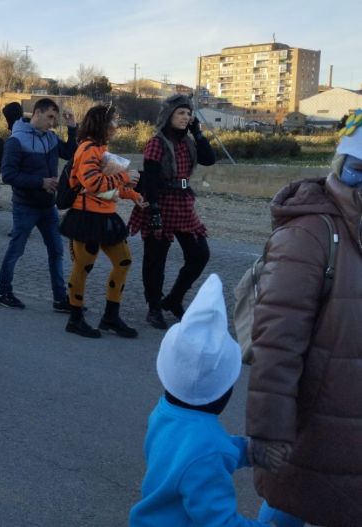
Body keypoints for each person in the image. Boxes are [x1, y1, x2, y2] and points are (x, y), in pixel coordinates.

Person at [245, 109, 362, 527]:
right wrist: (270, 432)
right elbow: (277, 341)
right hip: (316, 425)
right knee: (288, 510)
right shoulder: (310, 232)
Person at [129, 274, 269, 527]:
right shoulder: (208, 445)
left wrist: (244, 451)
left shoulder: (163, 413)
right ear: (223, 392)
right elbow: (220, 522)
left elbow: (191, 454)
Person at [127, 94, 216, 330]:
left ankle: (174, 300)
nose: (185, 117)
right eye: (181, 113)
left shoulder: (188, 141)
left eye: (188, 113)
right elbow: (151, 178)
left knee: (199, 254)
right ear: (169, 115)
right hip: (160, 200)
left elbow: (209, 159)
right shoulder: (156, 143)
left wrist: (198, 132)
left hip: (184, 202)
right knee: (156, 259)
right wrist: (154, 210)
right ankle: (154, 307)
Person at [60, 105, 145, 339]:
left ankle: (111, 317)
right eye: (112, 122)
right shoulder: (88, 150)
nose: (116, 127)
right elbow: (94, 184)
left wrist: (133, 195)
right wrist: (126, 177)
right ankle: (75, 319)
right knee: (83, 267)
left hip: (106, 215)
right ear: (101, 125)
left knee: (124, 262)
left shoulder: (101, 149)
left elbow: (110, 187)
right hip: (86, 217)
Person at [0, 98, 77, 313]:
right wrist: (40, 182)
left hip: (48, 206)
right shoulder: (16, 140)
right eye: (50, 117)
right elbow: (8, 175)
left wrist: (72, 127)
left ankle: (60, 299)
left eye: (55, 119)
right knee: (16, 250)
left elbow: (70, 153)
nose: (52, 123)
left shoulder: (50, 138)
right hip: (25, 207)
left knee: (56, 251)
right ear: (37, 113)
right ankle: (4, 292)